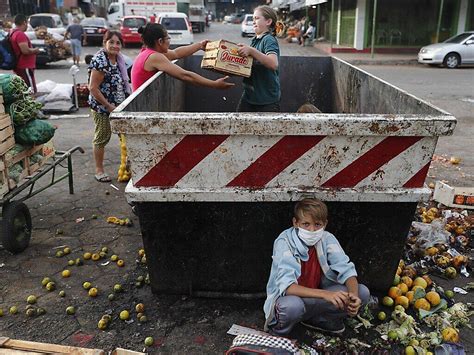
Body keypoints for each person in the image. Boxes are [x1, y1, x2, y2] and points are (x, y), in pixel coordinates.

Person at [264, 198, 370, 336]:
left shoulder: (327, 239)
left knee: (362, 292)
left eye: (317, 224)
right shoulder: (284, 242)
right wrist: (327, 294)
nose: (312, 230)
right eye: (306, 224)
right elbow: (288, 287)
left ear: (325, 224)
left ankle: (321, 320)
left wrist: (354, 297)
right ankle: (278, 332)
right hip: (296, 299)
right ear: (295, 223)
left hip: (317, 299)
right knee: (291, 307)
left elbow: (347, 271)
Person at [131, 23, 233, 91]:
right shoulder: (154, 57)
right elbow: (185, 75)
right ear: (160, 41)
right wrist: (214, 84)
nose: (169, 41)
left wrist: (200, 45)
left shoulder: (148, 52)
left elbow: (177, 53)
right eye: (168, 38)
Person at [88, 30, 132, 182]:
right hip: (102, 107)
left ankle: (127, 168)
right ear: (104, 43)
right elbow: (93, 88)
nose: (114, 45)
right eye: (111, 42)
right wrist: (108, 106)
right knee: (102, 136)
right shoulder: (100, 61)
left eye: (118, 43)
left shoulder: (120, 60)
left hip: (119, 107)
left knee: (125, 137)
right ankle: (99, 170)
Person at [236, 5, 280, 112]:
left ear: (268, 21)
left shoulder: (268, 40)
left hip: (266, 100)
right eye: (253, 19)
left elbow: (273, 64)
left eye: (257, 18)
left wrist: (251, 51)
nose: (253, 21)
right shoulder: (255, 41)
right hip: (249, 96)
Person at [10, 14, 40, 93]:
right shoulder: (20, 34)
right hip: (24, 66)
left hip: (20, 65)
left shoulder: (13, 33)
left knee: (23, 88)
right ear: (24, 22)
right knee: (30, 90)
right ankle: (31, 104)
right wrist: (35, 50)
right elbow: (25, 51)